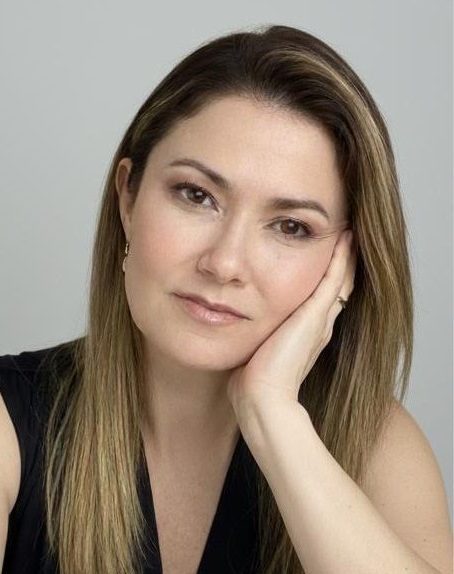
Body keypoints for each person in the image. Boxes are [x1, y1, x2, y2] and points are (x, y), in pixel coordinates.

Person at [0, 24, 452, 574]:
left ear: (346, 264)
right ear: (128, 198)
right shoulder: (9, 422)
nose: (225, 263)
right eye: (196, 195)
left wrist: (272, 414)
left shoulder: (379, 448)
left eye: (290, 226)